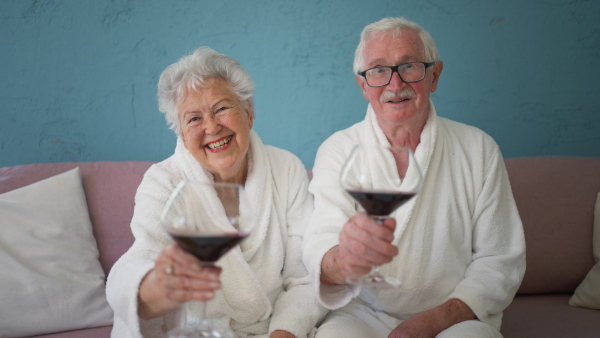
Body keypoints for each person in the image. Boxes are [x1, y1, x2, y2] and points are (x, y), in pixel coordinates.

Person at [303, 17, 526, 338]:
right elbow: (320, 241)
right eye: (378, 70)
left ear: (434, 75)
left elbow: (500, 260)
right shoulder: (338, 150)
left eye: (409, 67)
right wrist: (344, 259)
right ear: (363, 85)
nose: (395, 85)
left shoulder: (478, 148)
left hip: (452, 315)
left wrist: (429, 322)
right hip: (363, 311)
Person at [106, 47, 326, 338]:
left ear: (249, 114)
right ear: (183, 136)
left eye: (222, 108)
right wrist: (159, 287)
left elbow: (305, 276)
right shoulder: (163, 182)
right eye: (194, 119)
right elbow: (141, 258)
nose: (212, 127)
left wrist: (284, 333)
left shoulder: (286, 168)